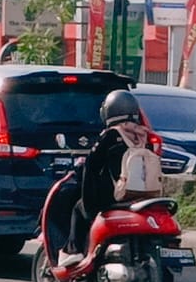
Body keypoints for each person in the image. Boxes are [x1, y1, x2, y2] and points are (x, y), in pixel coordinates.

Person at [60, 89, 157, 268]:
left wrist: (89, 201)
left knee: (78, 208)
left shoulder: (111, 134)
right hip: (145, 194)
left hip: (116, 194)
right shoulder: (144, 135)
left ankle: (73, 251)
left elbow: (92, 166)